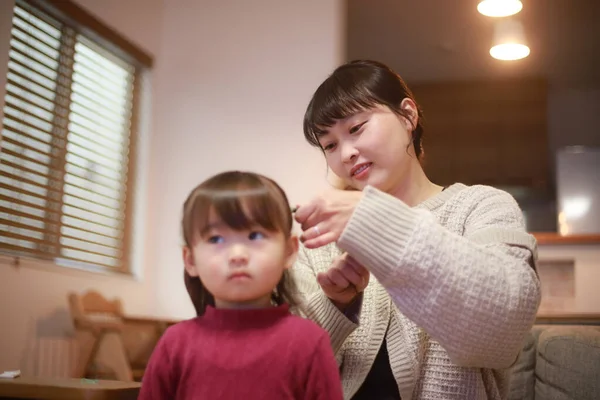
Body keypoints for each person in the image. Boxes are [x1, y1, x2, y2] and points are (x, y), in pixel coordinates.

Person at [291, 60, 541, 400]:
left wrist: (378, 224)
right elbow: (287, 366)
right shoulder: (319, 238)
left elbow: (502, 331)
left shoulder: (481, 206)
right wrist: (335, 304)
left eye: (356, 128)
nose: (347, 153)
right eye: (330, 145)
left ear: (408, 116)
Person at [139, 171, 343, 400]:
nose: (237, 255)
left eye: (255, 236)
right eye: (216, 239)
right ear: (190, 260)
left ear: (289, 251)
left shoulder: (309, 342)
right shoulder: (174, 344)